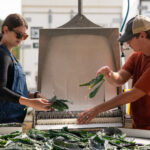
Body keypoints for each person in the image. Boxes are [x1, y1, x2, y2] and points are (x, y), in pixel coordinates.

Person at [77, 15, 150, 130]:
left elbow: (134, 94)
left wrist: (97, 110)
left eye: (129, 40)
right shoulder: (137, 57)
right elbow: (120, 78)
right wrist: (110, 74)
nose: (127, 44)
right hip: (140, 125)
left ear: (142, 35)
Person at [0, 13, 52, 123]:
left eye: (24, 36)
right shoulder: (1, 54)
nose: (21, 39)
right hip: (4, 123)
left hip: (13, 122)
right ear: (5, 30)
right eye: (18, 34)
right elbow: (1, 90)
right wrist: (30, 102)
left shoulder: (10, 57)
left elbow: (13, 90)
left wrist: (34, 95)